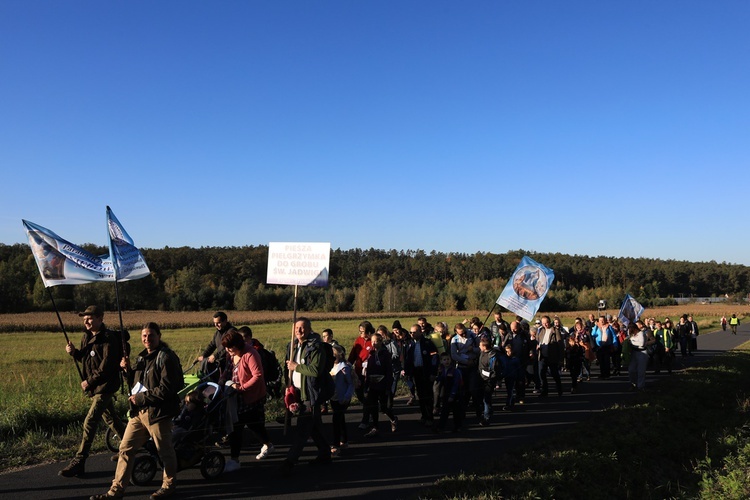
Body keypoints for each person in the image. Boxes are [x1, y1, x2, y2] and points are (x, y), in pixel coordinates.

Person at [91, 322, 183, 500]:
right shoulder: (142, 358)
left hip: (158, 413)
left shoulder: (166, 357)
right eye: (144, 336)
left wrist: (141, 398)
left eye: (151, 335)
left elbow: (169, 387)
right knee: (125, 448)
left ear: (159, 336)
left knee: (164, 451)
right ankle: (116, 490)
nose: (147, 339)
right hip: (139, 413)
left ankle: (169, 486)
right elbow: (135, 384)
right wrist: (126, 370)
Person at [59, 305, 126, 478]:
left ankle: (79, 461)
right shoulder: (86, 337)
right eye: (84, 319)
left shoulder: (108, 338)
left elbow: (107, 366)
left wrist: (88, 381)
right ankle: (131, 447)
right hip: (96, 388)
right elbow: (87, 360)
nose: (86, 321)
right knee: (111, 419)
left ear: (100, 318)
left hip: (106, 387)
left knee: (90, 422)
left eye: (90, 318)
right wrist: (74, 353)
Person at [281, 317, 333, 477]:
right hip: (297, 392)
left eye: (302, 328)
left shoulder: (316, 347)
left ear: (310, 330)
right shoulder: (293, 345)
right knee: (314, 426)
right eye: (296, 328)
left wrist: (297, 367)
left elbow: (316, 370)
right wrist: (287, 386)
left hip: (310, 394)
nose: (299, 330)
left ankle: (289, 461)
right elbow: (287, 368)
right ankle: (325, 453)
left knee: (303, 429)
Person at [222, 329, 274, 472]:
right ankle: (267, 444)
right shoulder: (231, 354)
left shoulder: (251, 354)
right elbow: (228, 370)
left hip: (249, 397)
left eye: (230, 347)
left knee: (238, 427)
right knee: (252, 424)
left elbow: (257, 375)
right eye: (226, 348)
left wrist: (242, 387)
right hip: (235, 397)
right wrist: (222, 379)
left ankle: (234, 460)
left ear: (238, 344)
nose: (228, 350)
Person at [363, 333, 397, 437]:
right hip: (373, 384)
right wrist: (366, 384)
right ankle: (375, 427)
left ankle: (393, 418)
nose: (373, 343)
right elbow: (368, 370)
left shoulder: (385, 354)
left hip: (382, 383)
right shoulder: (371, 354)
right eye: (372, 341)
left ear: (381, 341)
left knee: (383, 407)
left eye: (376, 341)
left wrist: (388, 386)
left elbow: (388, 371)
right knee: (373, 406)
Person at [404, 323, 438, 427]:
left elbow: (434, 358)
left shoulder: (427, 343)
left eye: (414, 332)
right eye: (411, 332)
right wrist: (407, 373)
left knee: (428, 396)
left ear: (420, 332)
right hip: (416, 372)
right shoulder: (410, 344)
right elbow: (407, 360)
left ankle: (430, 418)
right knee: (421, 395)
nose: (412, 334)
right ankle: (424, 416)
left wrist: (433, 372)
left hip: (426, 372)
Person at [330, 344, 354, 456]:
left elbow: (350, 384)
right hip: (333, 397)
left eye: (335, 355)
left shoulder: (344, 367)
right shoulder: (330, 366)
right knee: (340, 418)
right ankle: (344, 440)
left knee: (336, 419)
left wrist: (347, 396)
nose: (333, 357)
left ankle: (335, 445)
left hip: (343, 397)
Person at [349, 321, 374, 429]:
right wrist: (348, 364)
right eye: (359, 332)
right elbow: (353, 354)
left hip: (369, 374)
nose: (361, 334)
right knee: (359, 394)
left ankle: (365, 420)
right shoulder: (358, 340)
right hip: (358, 372)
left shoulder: (373, 341)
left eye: (362, 332)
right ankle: (372, 409)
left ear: (368, 332)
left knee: (366, 395)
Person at [196, 312, 234, 381]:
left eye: (218, 322)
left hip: (230, 364)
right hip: (220, 363)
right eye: (215, 323)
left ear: (225, 321)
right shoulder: (217, 333)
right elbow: (212, 345)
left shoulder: (231, 332)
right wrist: (204, 355)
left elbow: (229, 348)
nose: (216, 325)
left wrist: (215, 356)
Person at [435, 352, 464, 433]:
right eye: (444, 360)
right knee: (444, 411)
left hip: (455, 394)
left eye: (448, 359)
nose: (446, 361)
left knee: (456, 412)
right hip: (446, 393)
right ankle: (440, 427)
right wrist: (436, 378)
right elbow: (442, 379)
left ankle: (458, 427)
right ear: (441, 361)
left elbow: (456, 384)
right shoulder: (443, 370)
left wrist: (452, 395)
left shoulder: (455, 371)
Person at [537, 316, 564, 397]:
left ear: (549, 322)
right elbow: (538, 341)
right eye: (543, 323)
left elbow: (560, 345)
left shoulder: (555, 331)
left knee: (554, 374)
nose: (545, 324)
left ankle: (559, 389)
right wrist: (538, 346)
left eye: (546, 322)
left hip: (552, 356)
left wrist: (561, 358)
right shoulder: (541, 331)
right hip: (542, 355)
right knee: (541, 373)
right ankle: (544, 391)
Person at [476, 337, 500, 426]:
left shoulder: (493, 356)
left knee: (486, 399)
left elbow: (495, 371)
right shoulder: (482, 353)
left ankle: (486, 417)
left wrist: (492, 380)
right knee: (483, 398)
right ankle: (488, 411)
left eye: (480, 345)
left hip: (489, 381)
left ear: (484, 347)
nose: (479, 346)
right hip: (481, 379)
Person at [626, 322, 655, 391]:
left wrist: (632, 342)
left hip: (642, 352)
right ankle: (633, 383)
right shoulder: (632, 334)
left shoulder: (641, 334)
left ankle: (640, 386)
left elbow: (641, 344)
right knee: (631, 369)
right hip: (634, 352)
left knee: (641, 370)